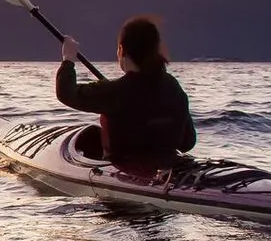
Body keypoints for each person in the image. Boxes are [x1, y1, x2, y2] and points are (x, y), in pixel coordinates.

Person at [56, 15, 197, 170]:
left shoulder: (116, 91)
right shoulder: (173, 87)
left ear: (121, 50)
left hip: (127, 172)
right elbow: (188, 142)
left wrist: (68, 59)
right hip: (171, 167)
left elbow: (66, 93)